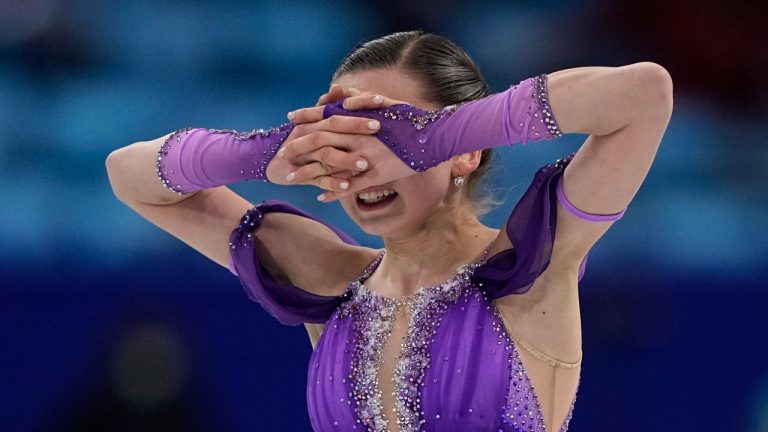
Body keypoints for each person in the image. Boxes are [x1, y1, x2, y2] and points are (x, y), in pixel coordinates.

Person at [106, 30, 673, 432]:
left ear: (463, 151)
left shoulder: (529, 269)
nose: (360, 165)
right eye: (344, 142)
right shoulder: (329, 282)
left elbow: (643, 93)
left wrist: (438, 135)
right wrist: (265, 153)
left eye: (389, 139)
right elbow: (128, 175)